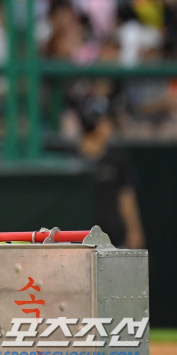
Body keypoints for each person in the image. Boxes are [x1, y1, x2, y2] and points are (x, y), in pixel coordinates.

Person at [77, 96, 145, 250]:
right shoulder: (72, 157)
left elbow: (126, 195)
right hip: (80, 237)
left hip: (112, 235)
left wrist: (134, 230)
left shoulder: (117, 157)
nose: (110, 126)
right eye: (106, 121)